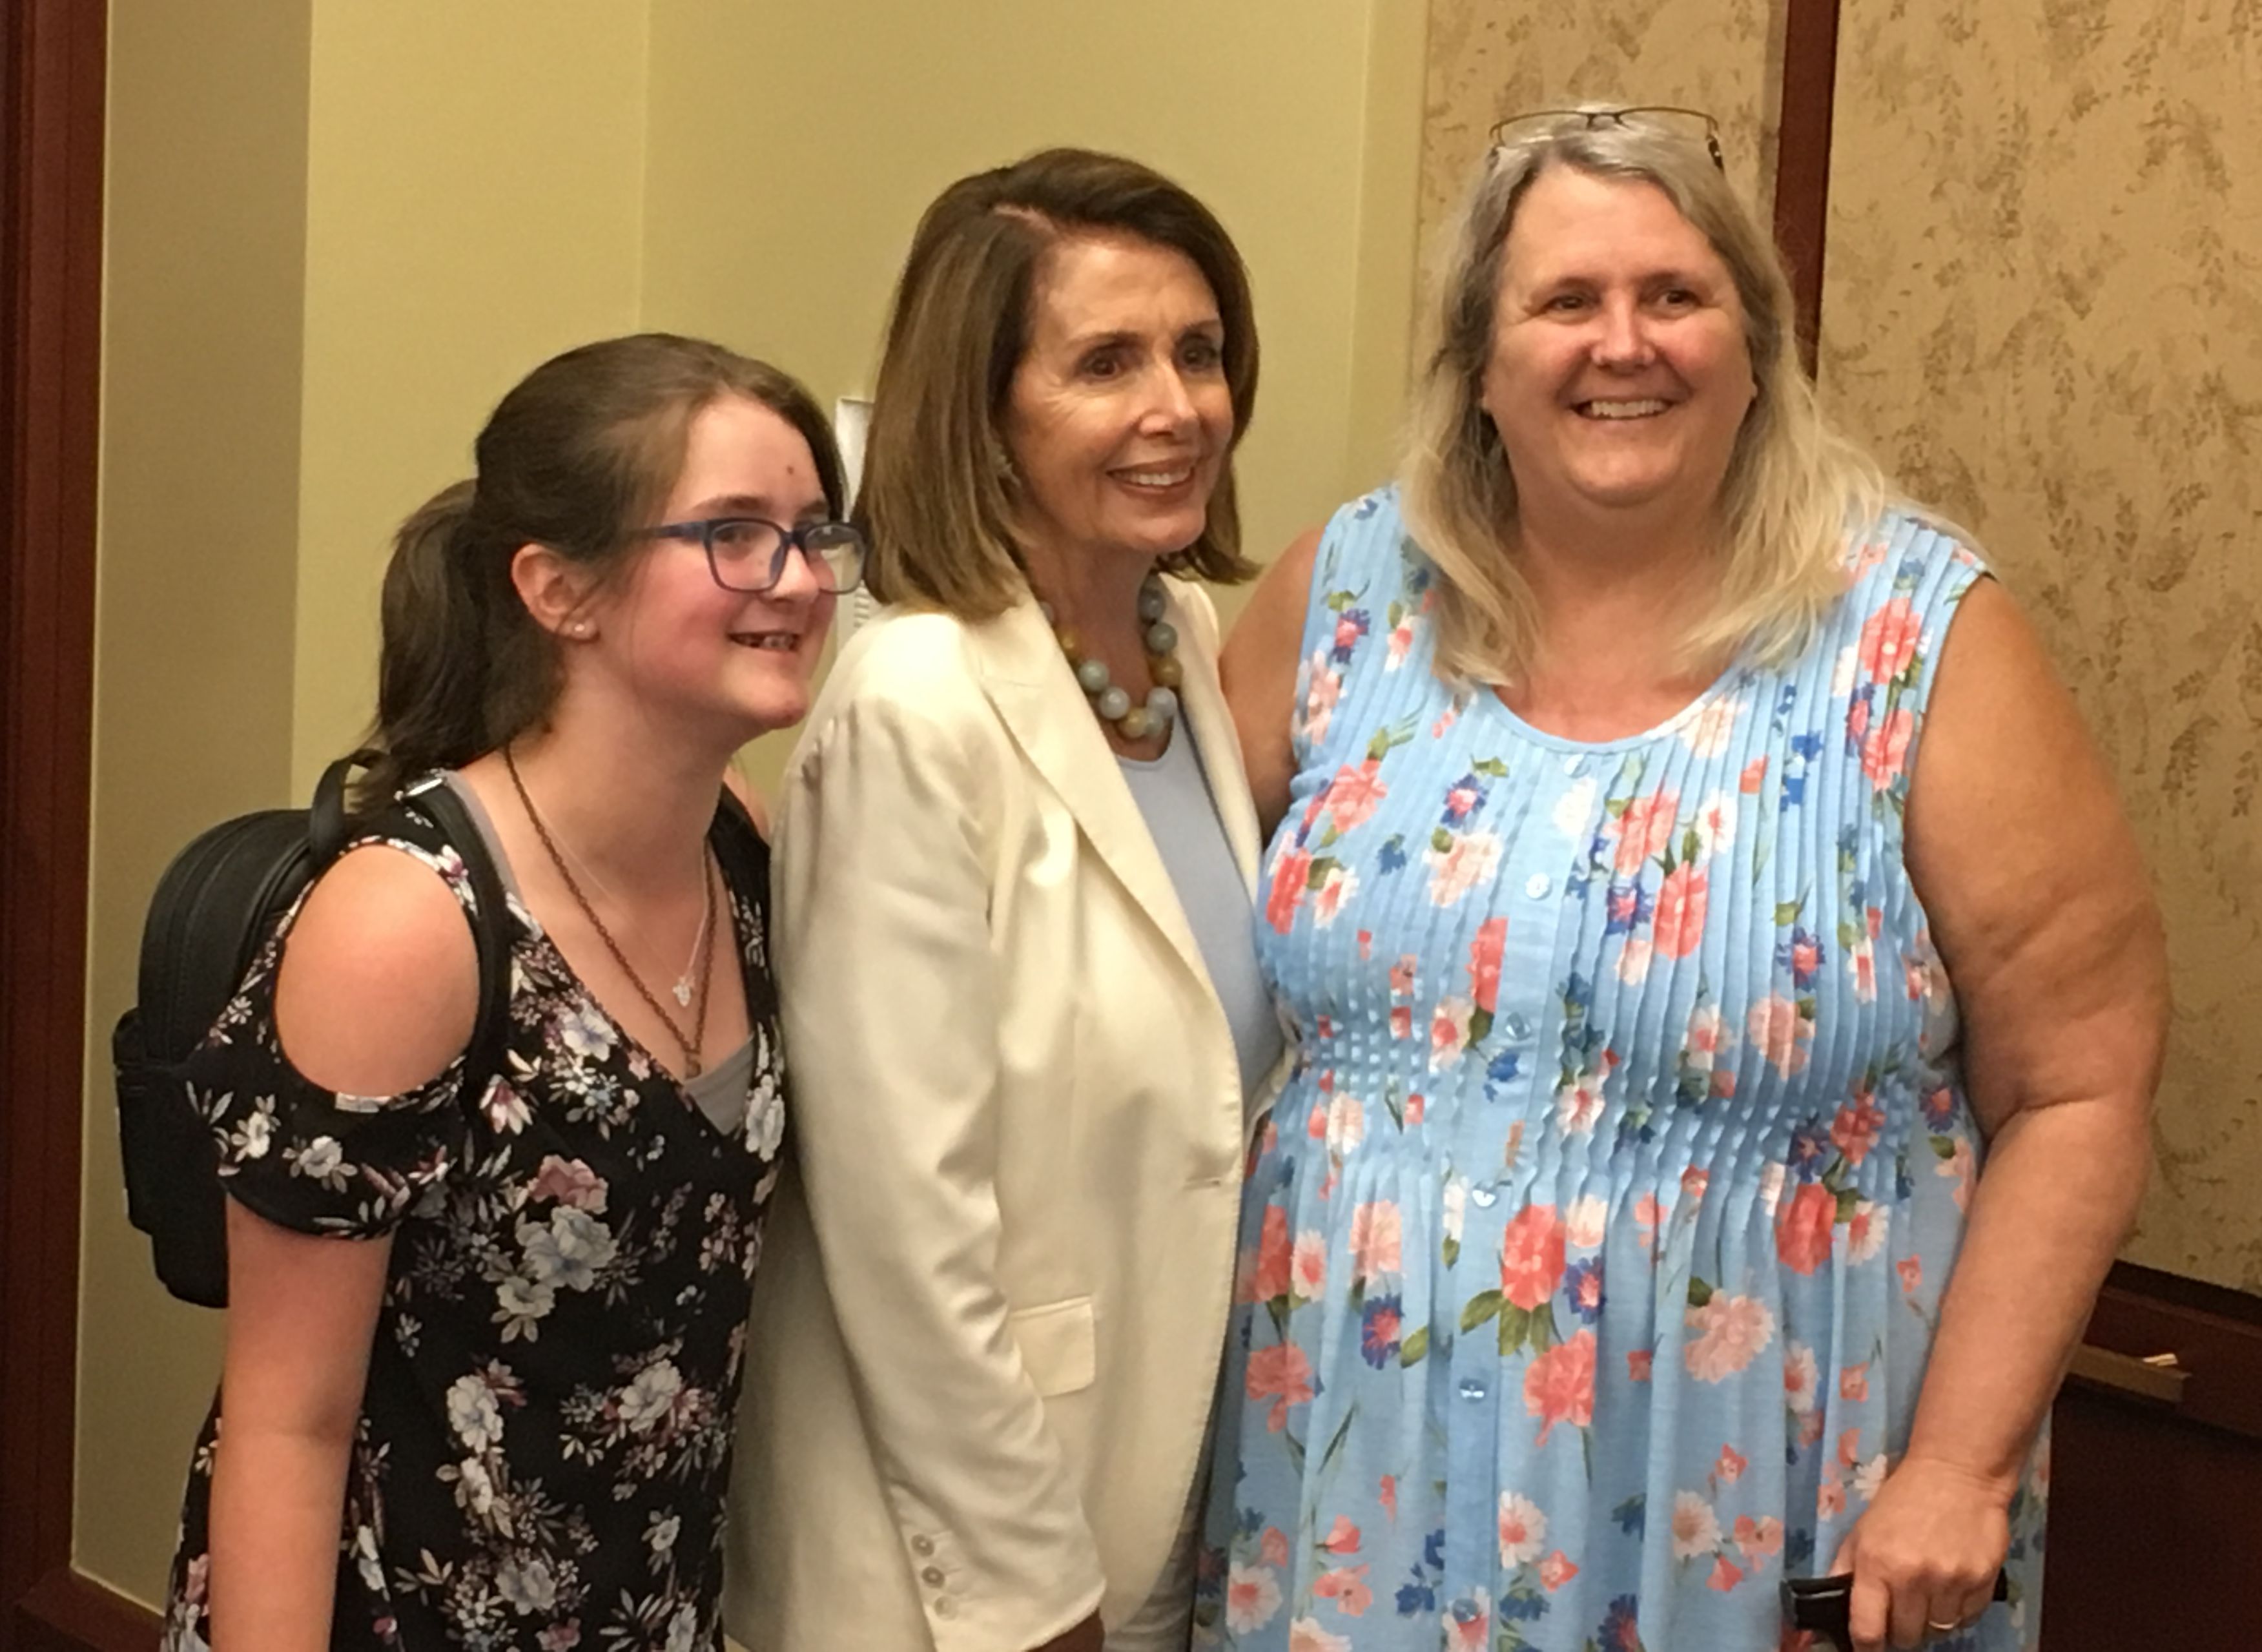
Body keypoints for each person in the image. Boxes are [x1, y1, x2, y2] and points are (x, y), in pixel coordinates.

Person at [1197, 107, 2166, 1652]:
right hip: (1349, 1479)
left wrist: (1963, 1467)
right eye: (1566, 300)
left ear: (1757, 345)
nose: (1622, 344)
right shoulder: (1350, 591)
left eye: (1676, 295)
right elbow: (1137, 886)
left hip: (1774, 1488)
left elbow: (2082, 1082)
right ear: (1481, 358)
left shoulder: (1917, 634)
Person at [158, 333, 859, 1651]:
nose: (799, 579)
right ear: (560, 589)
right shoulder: (411, 921)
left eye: (816, 532)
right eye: (735, 533)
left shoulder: (738, 846)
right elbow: (284, 1424)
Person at [727, 148, 1286, 1652]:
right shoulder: (916, 699)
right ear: (982, 408)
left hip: (1157, 1480)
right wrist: (1030, 1594)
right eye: (1104, 363)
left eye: (1200, 351)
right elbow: (900, 1221)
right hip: (958, 1560)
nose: (1175, 407)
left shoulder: (1185, 644)